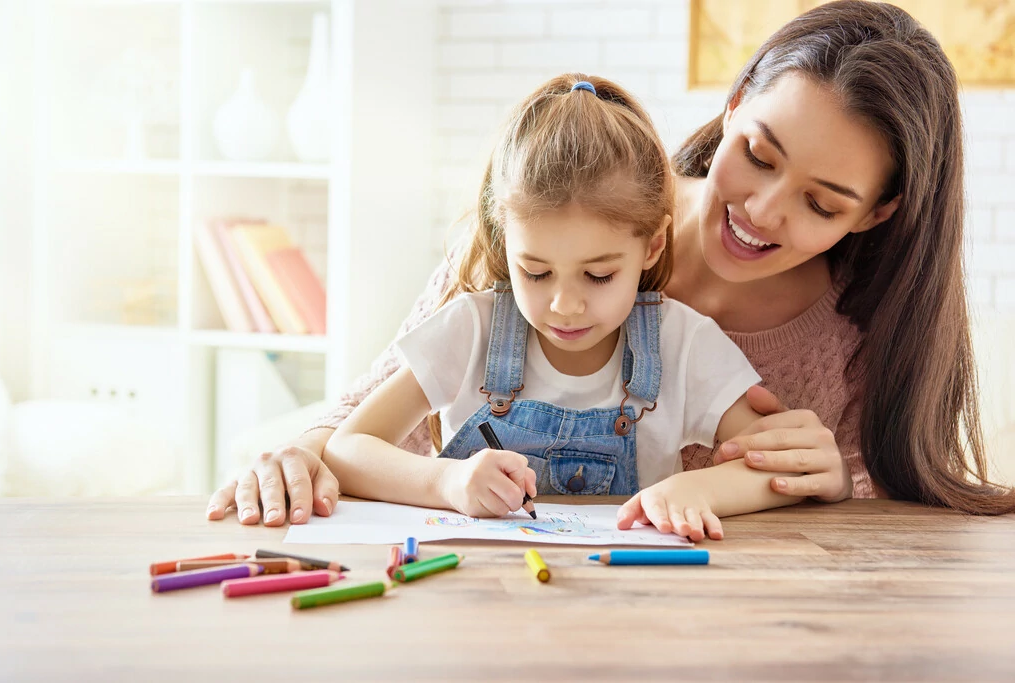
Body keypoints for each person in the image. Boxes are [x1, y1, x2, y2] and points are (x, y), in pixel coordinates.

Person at [207, 0, 1015, 528]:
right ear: (731, 108)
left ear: (877, 213)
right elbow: (369, 414)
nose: (765, 210)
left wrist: (835, 482)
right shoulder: (566, 206)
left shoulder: (856, 332)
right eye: (758, 154)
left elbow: (872, 522)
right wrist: (302, 452)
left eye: (822, 203)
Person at [323, 75, 805, 540]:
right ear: (503, 240)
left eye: (599, 275)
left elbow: (779, 468)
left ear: (654, 245)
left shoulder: (682, 343)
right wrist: (445, 481)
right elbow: (347, 449)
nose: (564, 305)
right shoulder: (473, 329)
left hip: (625, 594)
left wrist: (696, 488)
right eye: (535, 271)